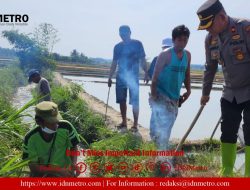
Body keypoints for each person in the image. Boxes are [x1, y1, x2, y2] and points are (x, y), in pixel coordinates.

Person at [197, 0, 250, 177]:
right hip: (230, 91)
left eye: (209, 25)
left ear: (221, 17)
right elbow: (210, 67)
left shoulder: (245, 28)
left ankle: (248, 173)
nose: (207, 29)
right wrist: (205, 93)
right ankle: (226, 170)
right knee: (227, 131)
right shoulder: (210, 39)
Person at [150, 25, 191, 150]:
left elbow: (187, 74)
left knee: (167, 126)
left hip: (175, 97)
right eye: (180, 40)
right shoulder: (165, 55)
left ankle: (160, 153)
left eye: (185, 40)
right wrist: (154, 96)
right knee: (162, 126)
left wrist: (188, 90)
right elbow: (155, 78)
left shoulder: (187, 55)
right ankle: (162, 157)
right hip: (161, 95)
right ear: (173, 40)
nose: (182, 43)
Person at [108, 25, 149, 132]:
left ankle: (135, 124)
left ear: (130, 32)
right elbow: (114, 63)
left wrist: (146, 72)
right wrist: (110, 76)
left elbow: (142, 59)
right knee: (122, 100)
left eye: (125, 33)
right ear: (119, 34)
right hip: (121, 76)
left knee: (135, 101)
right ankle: (124, 122)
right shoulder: (117, 47)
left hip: (133, 76)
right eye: (121, 33)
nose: (123, 35)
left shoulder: (137, 44)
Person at [22, 101, 81, 177]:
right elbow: (34, 168)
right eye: (51, 122)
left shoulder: (66, 127)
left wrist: (73, 163)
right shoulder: (30, 138)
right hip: (42, 176)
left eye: (57, 120)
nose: (56, 125)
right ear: (39, 122)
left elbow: (73, 146)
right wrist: (58, 170)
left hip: (65, 174)